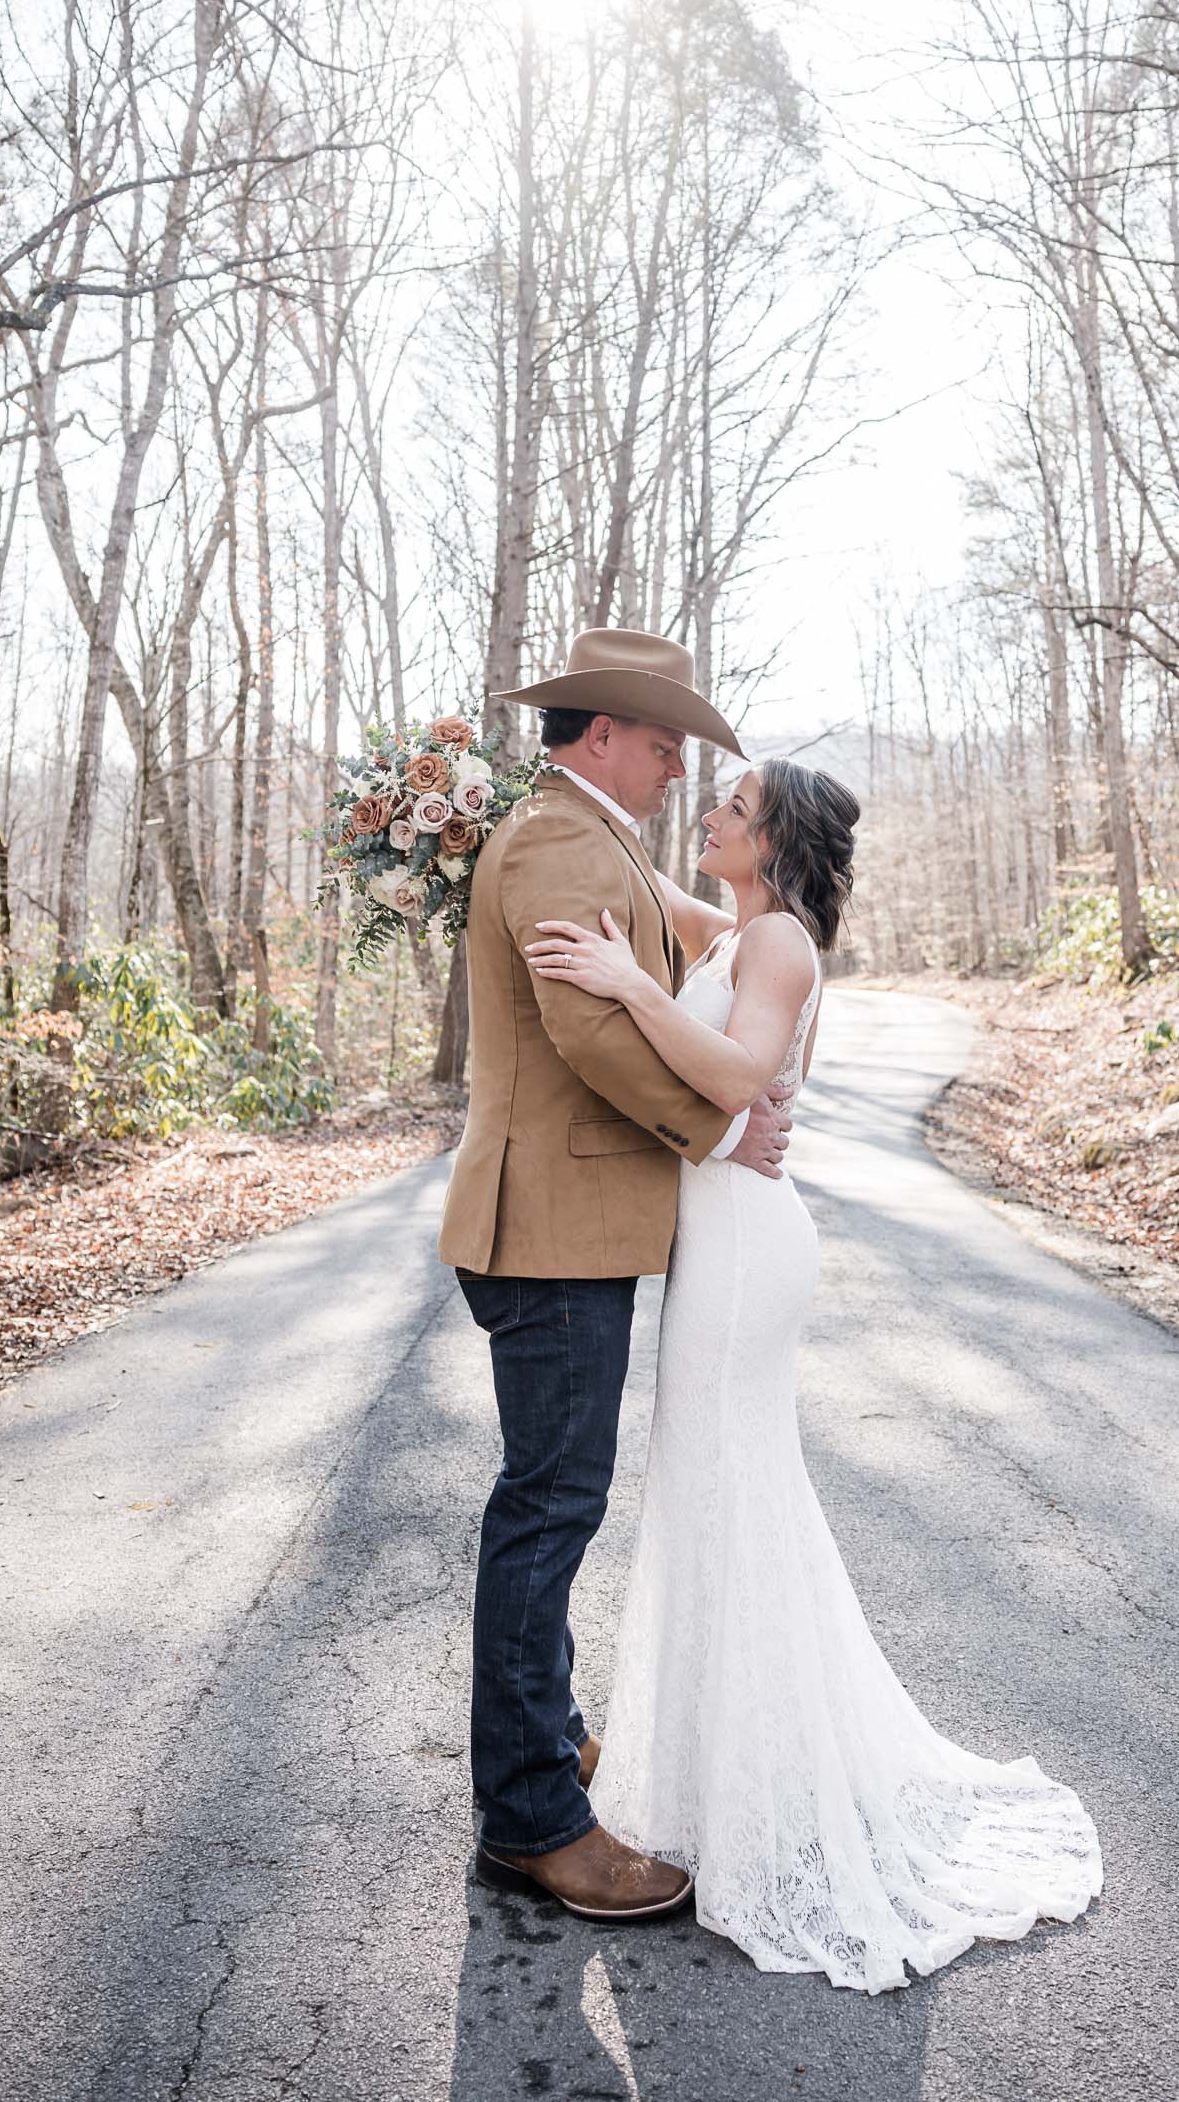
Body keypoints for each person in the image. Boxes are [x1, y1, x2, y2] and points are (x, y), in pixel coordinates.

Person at [524, 756, 1104, 1993]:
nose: (708, 818)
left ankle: (753, 1787)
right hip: (721, 1243)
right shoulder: (733, 926)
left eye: (730, 811)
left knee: (727, 1493)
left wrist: (628, 980)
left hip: (743, 1255)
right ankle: (714, 1763)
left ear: (774, 842)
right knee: (709, 1496)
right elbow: (641, 884)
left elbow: (735, 1078)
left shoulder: (778, 942)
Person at [440, 626, 792, 1924]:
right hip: (547, 1227)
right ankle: (530, 1815)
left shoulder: (598, 843)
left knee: (553, 1499)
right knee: (547, 1507)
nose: (672, 765)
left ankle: (547, 1735)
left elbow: (722, 949)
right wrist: (723, 1126)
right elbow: (588, 1031)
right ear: (600, 733)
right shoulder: (553, 844)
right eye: (661, 742)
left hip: (577, 1224)